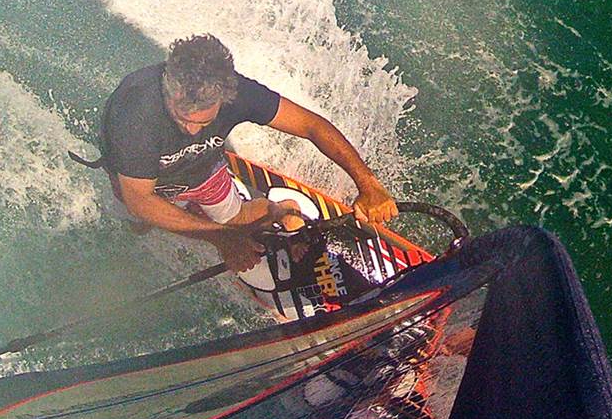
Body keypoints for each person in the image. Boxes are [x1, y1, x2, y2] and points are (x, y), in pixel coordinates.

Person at [100, 34, 399, 271]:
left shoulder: (238, 92)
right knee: (140, 225)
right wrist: (220, 238)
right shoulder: (135, 114)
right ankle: (192, 219)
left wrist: (368, 184)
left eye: (203, 122)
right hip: (143, 178)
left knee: (237, 219)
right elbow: (140, 200)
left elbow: (311, 126)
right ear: (171, 92)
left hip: (202, 169)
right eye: (182, 119)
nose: (191, 131)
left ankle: (282, 209)